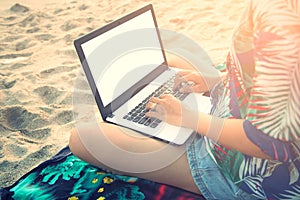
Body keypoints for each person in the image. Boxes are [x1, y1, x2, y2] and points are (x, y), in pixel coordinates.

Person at [69, 0, 300, 199]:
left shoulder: (282, 22)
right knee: (170, 63)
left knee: (83, 138)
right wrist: (218, 80)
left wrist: (189, 118)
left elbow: (268, 143)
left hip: (245, 172)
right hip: (227, 115)